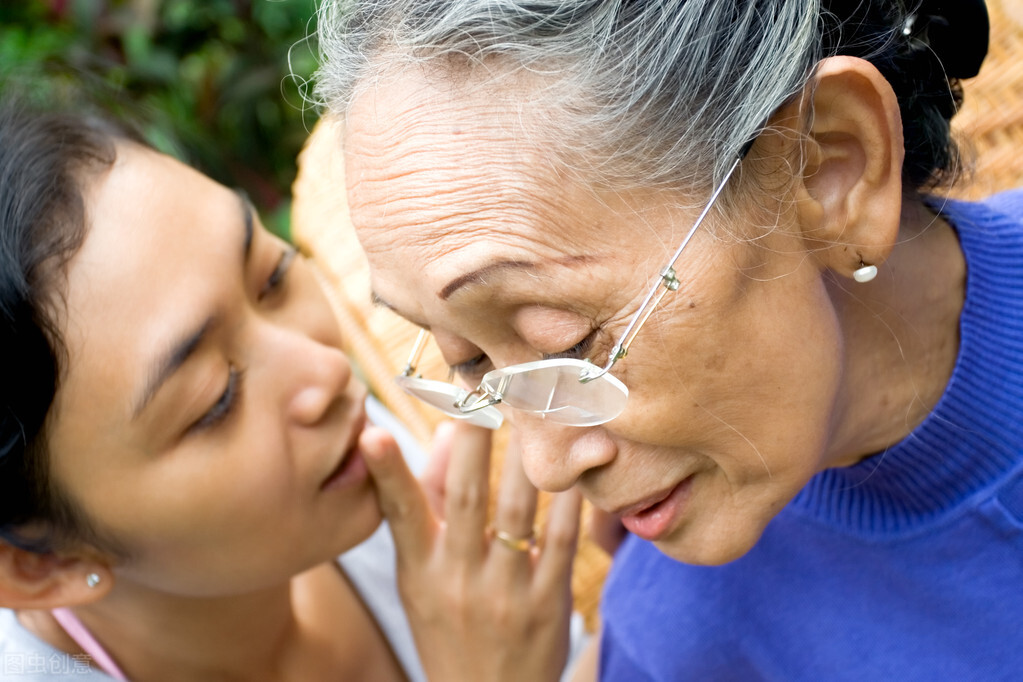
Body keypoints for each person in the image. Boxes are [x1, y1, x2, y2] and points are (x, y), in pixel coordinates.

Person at [313, 0, 1023, 678]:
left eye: (565, 345)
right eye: (466, 362)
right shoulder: (676, 643)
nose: (545, 465)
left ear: (827, 164)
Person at [0, 97, 585, 681]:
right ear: (36, 565)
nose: (326, 373)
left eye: (271, 278)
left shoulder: (337, 470)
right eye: (214, 402)